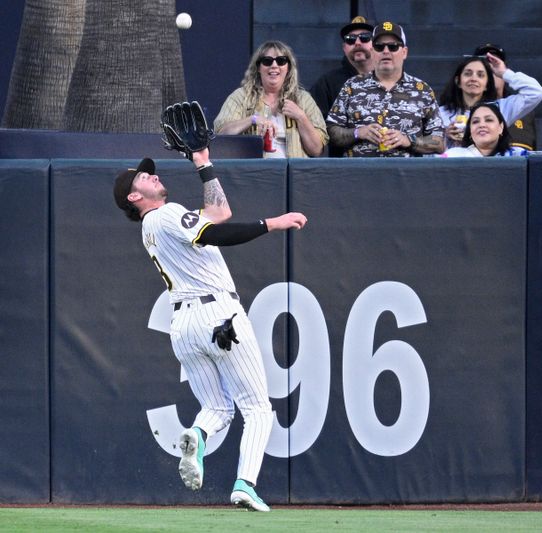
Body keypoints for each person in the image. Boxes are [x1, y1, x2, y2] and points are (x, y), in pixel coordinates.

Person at [113, 149, 307, 512]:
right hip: (217, 313)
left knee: (218, 407)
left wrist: (203, 164)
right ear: (133, 196)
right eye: (143, 176)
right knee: (258, 409)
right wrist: (273, 223)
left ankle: (197, 435)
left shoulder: (153, 227)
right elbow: (221, 234)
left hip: (183, 326)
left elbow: (219, 215)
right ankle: (245, 484)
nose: (152, 175)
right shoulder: (165, 214)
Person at [326, 21, 444, 157]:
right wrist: (358, 132)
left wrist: (409, 140)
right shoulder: (352, 86)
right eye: (379, 47)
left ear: (404, 52)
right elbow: (330, 131)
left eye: (393, 47)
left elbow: (439, 142)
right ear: (372, 51)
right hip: (360, 174)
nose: (386, 51)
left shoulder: (422, 90)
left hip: (407, 175)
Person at [214, 40, 328, 158]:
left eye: (281, 61)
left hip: (295, 174)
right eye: (267, 61)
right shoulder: (241, 96)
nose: (274, 66)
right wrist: (252, 119)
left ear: (288, 68)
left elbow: (316, 150)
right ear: (258, 67)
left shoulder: (303, 99)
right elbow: (221, 136)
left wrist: (301, 117)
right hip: (255, 173)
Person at [437, 43, 542, 150]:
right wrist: (443, 135)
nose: (473, 79)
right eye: (468, 73)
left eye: (480, 75)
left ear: (487, 85)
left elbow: (536, 92)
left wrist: (504, 73)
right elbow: (426, 148)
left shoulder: (499, 109)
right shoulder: (440, 113)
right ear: (458, 81)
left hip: (487, 166)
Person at [474, 44, 540, 152]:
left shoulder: (519, 104)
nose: (491, 74)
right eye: (484, 71)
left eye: (494, 67)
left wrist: (505, 73)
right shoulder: (470, 108)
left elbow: (537, 92)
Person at [309, 16, 375, 118]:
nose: (357, 43)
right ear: (344, 48)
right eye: (350, 39)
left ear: (376, 44)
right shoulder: (327, 83)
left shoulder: (391, 80)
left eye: (365, 37)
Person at [442, 102, 530, 157]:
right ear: (470, 131)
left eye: (489, 120)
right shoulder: (453, 156)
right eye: (475, 121)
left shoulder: (518, 155)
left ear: (501, 127)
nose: (482, 125)